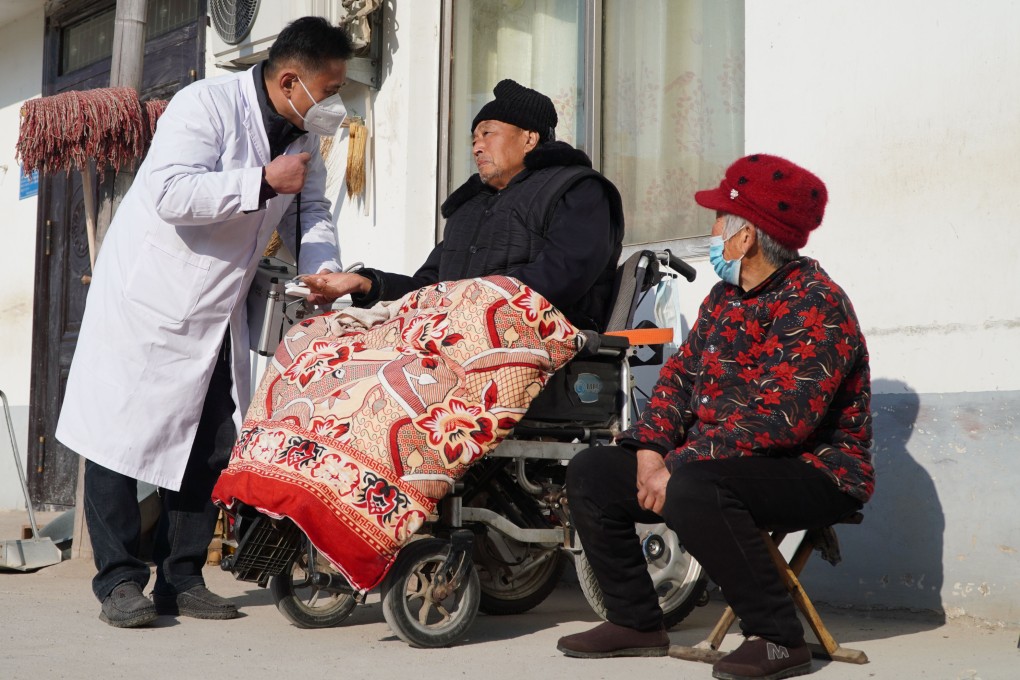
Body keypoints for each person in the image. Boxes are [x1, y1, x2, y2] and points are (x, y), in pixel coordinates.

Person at [55, 17, 353, 628]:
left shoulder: (302, 138)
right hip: (150, 301)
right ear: (290, 80)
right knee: (118, 441)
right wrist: (261, 181)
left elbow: (314, 212)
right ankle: (119, 582)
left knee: (211, 441)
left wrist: (324, 270)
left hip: (217, 308)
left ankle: (183, 578)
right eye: (328, 90)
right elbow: (171, 192)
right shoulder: (205, 104)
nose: (334, 105)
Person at [557, 154, 874, 680]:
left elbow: (779, 421)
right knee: (592, 472)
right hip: (716, 464)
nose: (711, 235)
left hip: (815, 470)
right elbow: (677, 382)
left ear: (744, 238)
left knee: (695, 487)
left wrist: (675, 465)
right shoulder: (724, 298)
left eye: (718, 222)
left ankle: (779, 638)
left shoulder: (817, 304)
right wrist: (649, 452)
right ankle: (636, 622)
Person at [299, 79, 624, 331]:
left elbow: (562, 276)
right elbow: (428, 288)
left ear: (529, 138)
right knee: (316, 337)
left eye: (487, 134)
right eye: (473, 140)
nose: (477, 147)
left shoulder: (577, 189)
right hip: (452, 332)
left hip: (533, 337)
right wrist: (365, 282)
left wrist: (466, 303)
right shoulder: (470, 208)